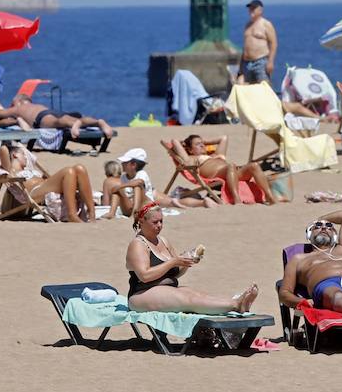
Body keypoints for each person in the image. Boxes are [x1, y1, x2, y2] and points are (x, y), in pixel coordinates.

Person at [125, 203, 257, 313]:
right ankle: (236, 304)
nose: (159, 225)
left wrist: (186, 262)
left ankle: (236, 303)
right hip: (141, 294)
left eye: (161, 221)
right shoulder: (138, 244)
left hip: (166, 289)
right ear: (142, 222)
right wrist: (173, 262)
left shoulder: (163, 241)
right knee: (188, 300)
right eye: (155, 222)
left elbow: (175, 273)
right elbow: (145, 276)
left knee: (198, 295)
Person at [279, 209, 342, 318]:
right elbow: (284, 292)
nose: (323, 228)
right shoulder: (299, 259)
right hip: (325, 283)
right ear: (309, 234)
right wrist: (301, 301)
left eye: (329, 226)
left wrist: (320, 219)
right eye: (317, 226)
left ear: (335, 235)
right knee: (335, 294)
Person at [101, 147, 214, 219]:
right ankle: (112, 213)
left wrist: (122, 186)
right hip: (131, 205)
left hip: (145, 205)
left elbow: (139, 182)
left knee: (137, 187)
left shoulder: (142, 174)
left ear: (133, 165)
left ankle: (202, 203)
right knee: (118, 190)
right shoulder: (124, 177)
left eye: (125, 162)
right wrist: (120, 188)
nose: (122, 164)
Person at [166, 134, 280, 204]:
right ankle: (237, 199)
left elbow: (223, 138)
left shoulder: (216, 154)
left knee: (253, 166)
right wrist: (186, 143)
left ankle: (269, 197)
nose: (202, 145)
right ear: (190, 149)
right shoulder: (191, 158)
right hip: (216, 175)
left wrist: (203, 141)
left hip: (232, 173)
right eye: (198, 144)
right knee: (231, 165)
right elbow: (174, 141)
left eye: (203, 143)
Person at [0, 142, 97, 223]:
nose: (26, 157)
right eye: (23, 154)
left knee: (80, 168)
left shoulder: (29, 169)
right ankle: (72, 215)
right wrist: (18, 145)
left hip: (45, 187)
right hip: (34, 193)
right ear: (15, 155)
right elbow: (3, 149)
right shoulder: (11, 171)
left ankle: (91, 212)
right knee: (69, 171)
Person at [0, 93, 114, 140]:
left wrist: (3, 108)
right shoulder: (35, 105)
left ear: (18, 101)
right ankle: (98, 122)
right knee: (70, 119)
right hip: (50, 111)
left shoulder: (17, 108)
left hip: (41, 118)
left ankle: (76, 125)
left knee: (60, 122)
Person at [239, 0, 277, 84]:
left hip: (260, 62)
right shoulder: (247, 25)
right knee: (248, 89)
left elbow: (273, 43)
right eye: (250, 8)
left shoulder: (266, 24)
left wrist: (271, 61)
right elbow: (245, 45)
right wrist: (241, 65)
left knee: (263, 87)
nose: (251, 10)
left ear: (260, 10)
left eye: (253, 8)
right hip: (246, 63)